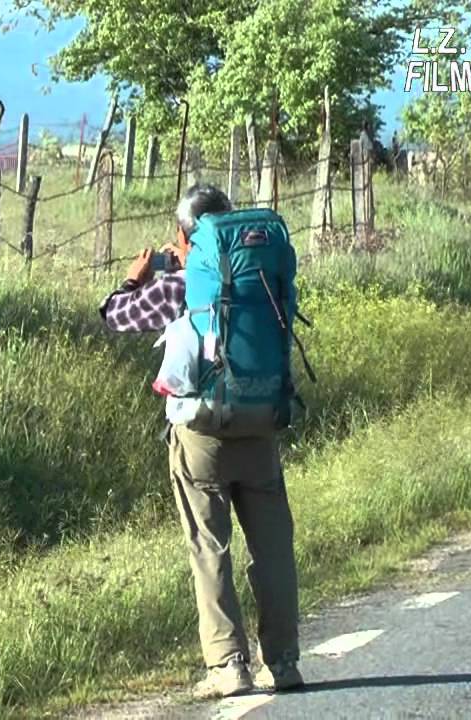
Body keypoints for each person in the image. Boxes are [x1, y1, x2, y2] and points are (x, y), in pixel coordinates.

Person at [99, 185, 304, 700]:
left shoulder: (179, 286)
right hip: (261, 420)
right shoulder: (263, 274)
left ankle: (228, 666)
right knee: (273, 546)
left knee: (210, 546)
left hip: (202, 432)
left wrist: (136, 276)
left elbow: (115, 316)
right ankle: (283, 662)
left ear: (185, 236)